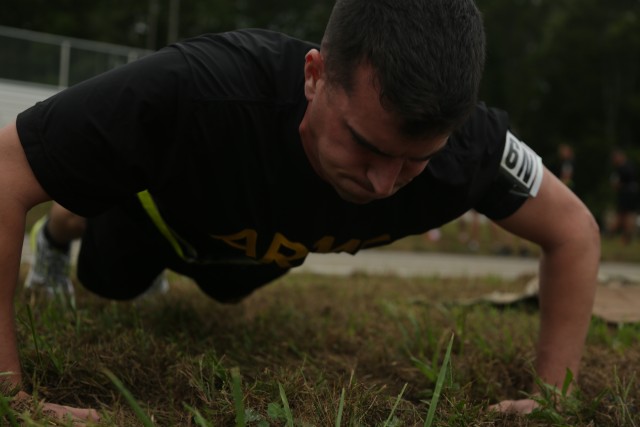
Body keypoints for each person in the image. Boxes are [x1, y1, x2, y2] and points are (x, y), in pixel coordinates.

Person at [0, 0, 599, 422]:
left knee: (227, 292)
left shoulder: (471, 148)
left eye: (416, 159)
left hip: (266, 247)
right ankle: (59, 238)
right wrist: (8, 394)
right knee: (108, 274)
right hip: (160, 215)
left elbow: (574, 230)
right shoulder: (197, 87)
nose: (383, 182)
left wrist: (553, 395)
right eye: (366, 144)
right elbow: (8, 169)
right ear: (314, 75)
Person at [610, 148, 639, 244]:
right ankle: (624, 236)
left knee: (624, 215)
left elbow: (616, 184)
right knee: (626, 215)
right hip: (631, 193)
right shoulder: (630, 166)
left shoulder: (622, 168)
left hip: (626, 194)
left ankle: (620, 236)